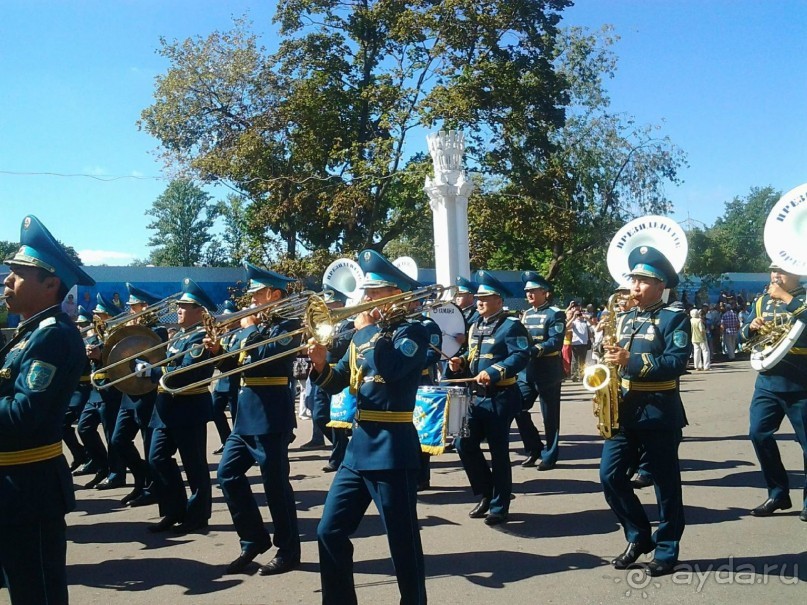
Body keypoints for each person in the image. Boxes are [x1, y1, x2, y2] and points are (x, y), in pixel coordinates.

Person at [307, 249, 428, 605]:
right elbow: (338, 380)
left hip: (393, 450)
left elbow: (391, 369)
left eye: (375, 293)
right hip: (357, 450)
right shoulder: (366, 333)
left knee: (402, 543)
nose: (365, 299)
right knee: (328, 531)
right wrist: (319, 365)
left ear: (397, 294)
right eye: (368, 292)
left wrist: (370, 331)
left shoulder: (414, 332)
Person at [1, 214, 95, 604]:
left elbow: (25, 413)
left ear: (50, 283)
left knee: (36, 593)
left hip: (29, 488)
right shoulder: (30, 334)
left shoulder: (52, 336)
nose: (7, 280)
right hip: (14, 486)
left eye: (19, 274)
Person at [599, 246, 691, 577]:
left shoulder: (674, 317)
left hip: (658, 410)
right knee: (610, 476)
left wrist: (631, 361)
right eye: (633, 279)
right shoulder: (622, 317)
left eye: (642, 280)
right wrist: (604, 352)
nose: (634, 286)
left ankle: (666, 549)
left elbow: (676, 363)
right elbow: (612, 357)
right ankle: (638, 536)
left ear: (660, 284)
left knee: (665, 485)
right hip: (623, 411)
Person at [210, 263, 303, 576]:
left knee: (275, 486)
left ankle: (289, 551)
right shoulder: (250, 328)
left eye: (257, 294)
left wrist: (248, 328)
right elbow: (234, 367)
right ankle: (253, 538)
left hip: (271, 415)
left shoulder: (289, 325)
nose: (250, 301)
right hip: (245, 414)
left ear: (274, 295)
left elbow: (268, 357)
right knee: (227, 475)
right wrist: (216, 353)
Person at [445, 270, 530, 526]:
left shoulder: (511, 325)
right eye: (478, 297)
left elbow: (520, 356)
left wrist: (494, 372)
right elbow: (473, 358)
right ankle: (486, 492)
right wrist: (460, 365)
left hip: (500, 396)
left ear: (499, 300)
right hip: (476, 397)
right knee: (464, 445)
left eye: (486, 297)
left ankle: (499, 505)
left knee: (499, 452)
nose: (479, 301)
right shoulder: (475, 325)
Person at [140, 278, 216, 534]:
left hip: (188, 406)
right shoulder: (178, 337)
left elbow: (185, 373)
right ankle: (173, 510)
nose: (179, 310)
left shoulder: (201, 338)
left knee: (194, 466)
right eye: (180, 305)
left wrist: (151, 370)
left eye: (185, 306)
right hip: (165, 407)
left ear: (200, 312)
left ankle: (197, 516)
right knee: (156, 458)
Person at [740, 262, 807, 522]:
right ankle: (778, 492)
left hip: (801, 381)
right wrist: (752, 327)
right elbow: (745, 335)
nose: (775, 276)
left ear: (797, 273)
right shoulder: (762, 302)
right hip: (768, 381)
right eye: (773, 270)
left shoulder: (799, 298)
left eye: (782, 271)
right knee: (758, 434)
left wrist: (787, 298)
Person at [110, 283, 168, 507]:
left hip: (148, 394)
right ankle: (142, 478)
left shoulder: (159, 331)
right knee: (118, 440)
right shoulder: (129, 330)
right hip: (129, 393)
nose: (130, 311)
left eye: (134, 307)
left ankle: (152, 487)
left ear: (145, 307)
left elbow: (155, 360)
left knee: (148, 441)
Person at [516, 271, 566, 471]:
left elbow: (555, 341)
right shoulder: (526, 314)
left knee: (550, 417)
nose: (529, 295)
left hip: (547, 370)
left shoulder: (555, 314)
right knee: (517, 408)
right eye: (527, 291)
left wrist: (534, 349)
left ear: (545, 292)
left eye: (533, 291)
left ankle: (550, 455)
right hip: (526, 372)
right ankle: (534, 447)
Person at [80, 294, 126, 489]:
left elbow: (122, 364)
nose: (96, 318)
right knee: (84, 428)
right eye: (96, 314)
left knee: (111, 436)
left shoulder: (119, 338)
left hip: (111, 391)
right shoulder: (94, 336)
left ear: (110, 317)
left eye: (101, 315)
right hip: (95, 391)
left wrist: (101, 357)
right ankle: (101, 466)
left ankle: (116, 474)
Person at [305, 291, 353, 472]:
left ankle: (338, 456)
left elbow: (342, 346)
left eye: (331, 305)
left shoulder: (348, 324)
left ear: (340, 305)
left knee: (337, 420)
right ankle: (344, 448)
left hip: (339, 373)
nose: (328, 308)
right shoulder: (326, 325)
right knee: (319, 416)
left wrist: (324, 341)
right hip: (324, 372)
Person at [210, 299, 239, 455]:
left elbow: (232, 357)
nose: (225, 321)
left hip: (235, 381)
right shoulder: (224, 335)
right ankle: (226, 440)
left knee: (236, 416)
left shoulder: (241, 334)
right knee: (214, 410)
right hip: (222, 382)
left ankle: (239, 446)